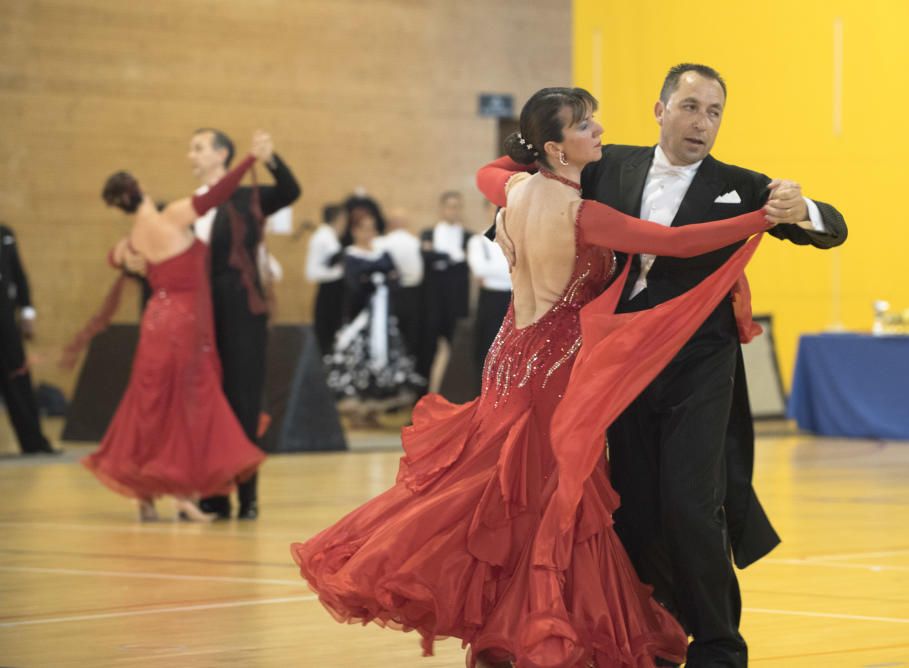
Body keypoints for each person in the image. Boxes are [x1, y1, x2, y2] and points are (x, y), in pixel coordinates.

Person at [292, 87, 786, 667]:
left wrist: (531, 152)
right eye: (585, 125)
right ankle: (539, 634)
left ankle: (506, 635)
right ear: (555, 147)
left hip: (507, 359)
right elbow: (676, 243)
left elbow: (487, 170)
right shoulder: (585, 214)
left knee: (505, 495)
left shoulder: (515, 188)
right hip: (553, 369)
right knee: (553, 503)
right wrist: (760, 219)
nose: (600, 130)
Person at [577, 64, 848, 667]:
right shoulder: (609, 166)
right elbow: (535, 180)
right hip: (621, 362)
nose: (702, 123)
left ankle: (720, 645)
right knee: (635, 501)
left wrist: (803, 207)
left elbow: (833, 231)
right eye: (691, 107)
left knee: (692, 502)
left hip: (700, 362)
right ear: (660, 109)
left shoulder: (741, 184)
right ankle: (656, 633)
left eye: (714, 112)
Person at [83, 144, 267, 522]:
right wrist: (249, 159)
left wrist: (126, 259)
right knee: (186, 406)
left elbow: (114, 257)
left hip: (154, 321)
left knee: (149, 406)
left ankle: (145, 497)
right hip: (183, 322)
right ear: (142, 189)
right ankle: (183, 493)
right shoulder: (170, 218)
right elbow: (219, 193)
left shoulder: (135, 237)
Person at [188, 127, 301, 520]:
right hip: (201, 314)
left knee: (243, 400)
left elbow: (289, 191)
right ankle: (214, 495)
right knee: (208, 401)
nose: (192, 156)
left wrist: (269, 158)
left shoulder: (244, 197)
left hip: (240, 310)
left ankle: (247, 493)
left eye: (199, 148)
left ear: (222, 155)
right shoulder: (192, 206)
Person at [326, 213, 423, 427]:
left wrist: (380, 281)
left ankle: (375, 409)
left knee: (385, 356)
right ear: (355, 231)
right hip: (360, 317)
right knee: (358, 358)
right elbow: (354, 286)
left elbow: (396, 279)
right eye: (364, 229)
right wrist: (377, 281)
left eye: (372, 229)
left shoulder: (383, 252)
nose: (369, 233)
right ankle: (357, 410)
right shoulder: (350, 255)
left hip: (384, 317)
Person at [0, 223, 56, 455]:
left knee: (18, 378)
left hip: (5, 321)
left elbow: (18, 275)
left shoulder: (5, 235)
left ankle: (34, 442)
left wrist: (27, 311)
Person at [418, 191, 472, 390]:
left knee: (459, 350)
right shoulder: (428, 233)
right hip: (432, 301)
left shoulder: (469, 237)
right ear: (441, 209)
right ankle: (421, 395)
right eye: (449, 206)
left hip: (457, 301)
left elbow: (467, 264)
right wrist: (453, 259)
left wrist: (440, 257)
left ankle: (456, 396)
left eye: (457, 206)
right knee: (427, 349)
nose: (453, 211)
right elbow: (426, 259)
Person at [375, 207, 424, 366]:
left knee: (388, 333)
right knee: (410, 335)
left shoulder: (379, 243)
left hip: (387, 294)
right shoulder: (415, 242)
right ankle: (409, 368)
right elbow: (418, 274)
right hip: (412, 294)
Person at [466, 203, 512, 373]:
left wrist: (494, 273)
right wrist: (509, 270)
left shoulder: (516, 238)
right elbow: (479, 269)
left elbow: (521, 269)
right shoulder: (478, 241)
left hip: (514, 300)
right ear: (486, 210)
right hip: (490, 300)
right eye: (493, 208)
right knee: (487, 348)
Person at [306, 203, 348, 354]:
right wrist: (340, 271)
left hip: (332, 290)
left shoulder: (329, 237)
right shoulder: (324, 237)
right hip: (329, 291)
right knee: (328, 333)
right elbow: (312, 272)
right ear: (339, 219)